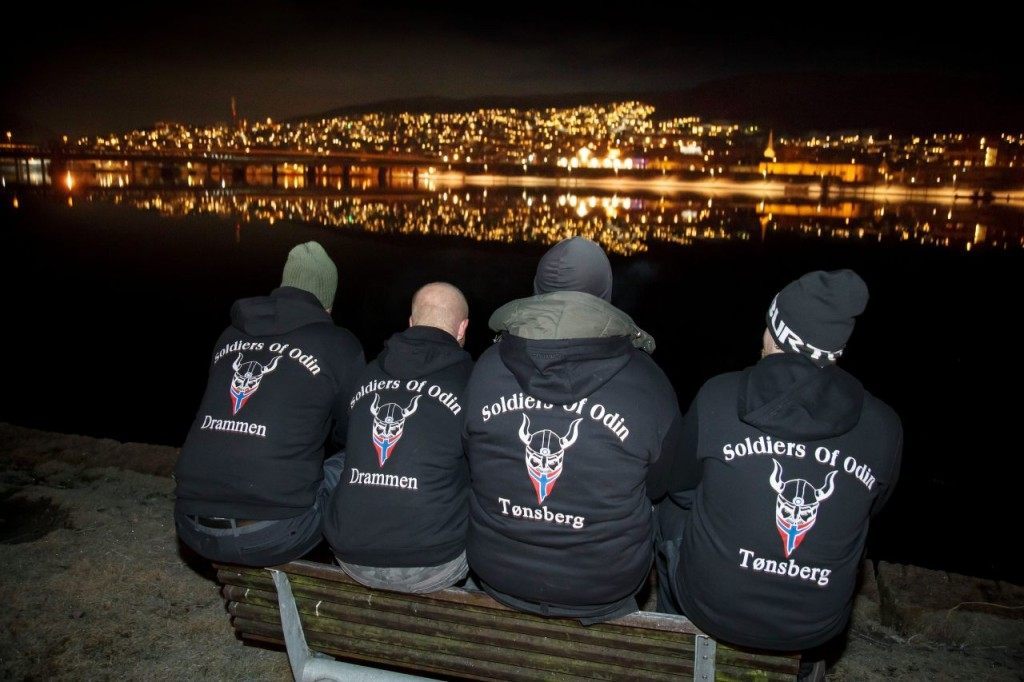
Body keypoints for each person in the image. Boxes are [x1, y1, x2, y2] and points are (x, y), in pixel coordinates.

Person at [655, 270, 902, 676]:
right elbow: (871, 510)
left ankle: (676, 652)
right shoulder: (884, 427)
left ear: (775, 332)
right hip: (815, 625)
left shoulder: (719, 395)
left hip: (711, 608)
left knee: (667, 513)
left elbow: (679, 489)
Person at [463, 236, 684, 623]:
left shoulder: (487, 368)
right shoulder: (647, 383)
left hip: (498, 572)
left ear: (537, 291)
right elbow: (660, 486)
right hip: (603, 585)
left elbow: (469, 456)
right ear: (603, 296)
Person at [174, 241, 365, 566]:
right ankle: (368, 565)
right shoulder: (339, 345)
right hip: (275, 531)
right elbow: (354, 433)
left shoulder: (230, 335)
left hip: (191, 522)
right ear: (327, 303)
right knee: (364, 458)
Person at [324, 282, 474, 592]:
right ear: (462, 328)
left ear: (410, 322)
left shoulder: (369, 371)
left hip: (351, 554)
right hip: (434, 563)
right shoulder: (472, 381)